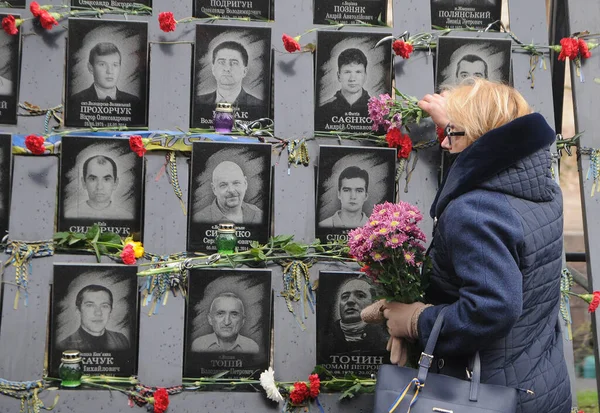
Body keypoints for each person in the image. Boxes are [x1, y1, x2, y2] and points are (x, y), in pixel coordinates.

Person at [362, 78, 571, 412]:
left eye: (451, 134)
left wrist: (416, 320)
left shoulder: (474, 211)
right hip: (539, 384)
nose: (444, 145)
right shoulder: (543, 193)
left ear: (479, 136)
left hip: (490, 393)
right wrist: (458, 123)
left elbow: (491, 309)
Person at [59, 284, 129, 351]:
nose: (98, 313)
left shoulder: (121, 340)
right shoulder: (63, 346)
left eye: (104, 306)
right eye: (90, 305)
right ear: (78, 310)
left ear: (111, 310)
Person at [196, 41, 263, 108]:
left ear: (244, 71)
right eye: (221, 62)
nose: (227, 68)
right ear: (213, 69)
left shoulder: (258, 105)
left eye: (234, 63)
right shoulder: (198, 101)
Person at [329, 278, 387, 354]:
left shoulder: (383, 338)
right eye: (345, 297)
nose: (350, 301)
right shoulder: (327, 337)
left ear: (375, 304)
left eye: (360, 295)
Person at [196, 160, 263, 224]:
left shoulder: (258, 215)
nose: (231, 190)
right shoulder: (199, 219)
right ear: (214, 189)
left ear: (245, 183)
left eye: (236, 183)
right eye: (223, 185)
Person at [70, 42, 139, 104]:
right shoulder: (76, 100)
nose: (109, 71)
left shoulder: (134, 101)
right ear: (91, 68)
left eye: (115, 65)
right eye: (102, 64)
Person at [65, 154, 130, 219]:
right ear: (84, 182)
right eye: (93, 179)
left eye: (106, 179)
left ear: (115, 183)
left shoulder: (126, 217)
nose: (99, 187)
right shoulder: (70, 215)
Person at [191, 292, 259, 354]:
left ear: (242, 321)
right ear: (210, 319)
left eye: (234, 314)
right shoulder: (198, 346)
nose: (227, 322)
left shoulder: (252, 347)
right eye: (220, 314)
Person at [321, 48, 371, 117]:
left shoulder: (377, 109)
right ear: (339, 76)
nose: (352, 79)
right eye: (347, 72)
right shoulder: (323, 110)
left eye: (358, 72)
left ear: (365, 76)